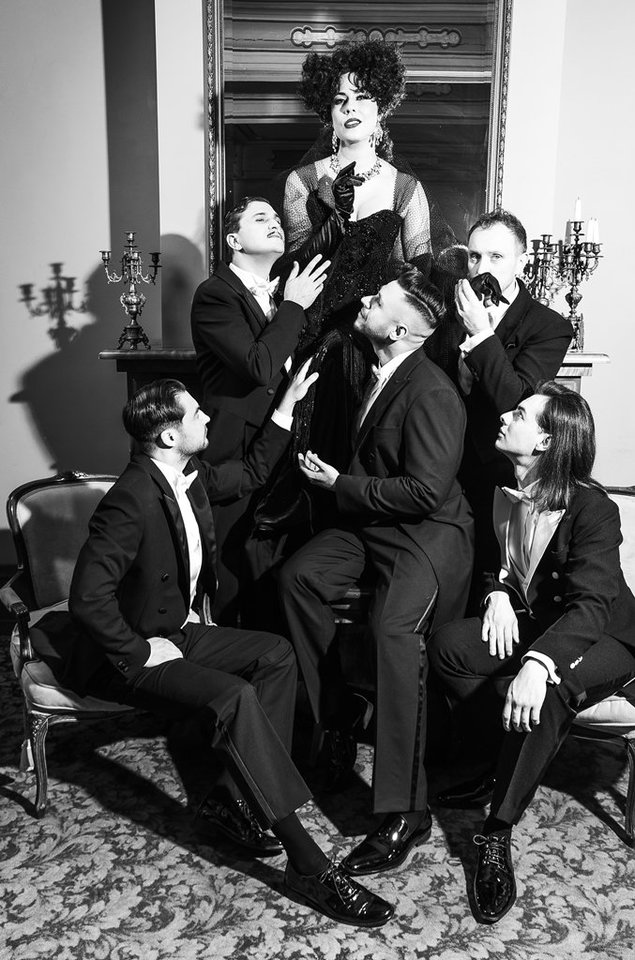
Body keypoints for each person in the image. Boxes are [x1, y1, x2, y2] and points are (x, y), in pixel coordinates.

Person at [30, 370, 393, 928]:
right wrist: (138, 651)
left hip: (176, 629)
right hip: (126, 654)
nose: (206, 418)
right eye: (196, 413)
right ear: (168, 436)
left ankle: (233, 798)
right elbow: (87, 598)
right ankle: (309, 864)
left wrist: (285, 407)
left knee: (275, 655)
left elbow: (250, 472)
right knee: (233, 697)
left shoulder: (188, 476)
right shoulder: (129, 500)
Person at [279, 266, 474, 878]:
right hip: (372, 526)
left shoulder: (433, 391)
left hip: (425, 536)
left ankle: (404, 812)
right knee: (297, 579)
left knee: (394, 631)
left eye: (379, 299)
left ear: (397, 330)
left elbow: (425, 491)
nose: (365, 298)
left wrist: (340, 483)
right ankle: (339, 720)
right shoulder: (377, 368)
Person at [428, 382, 635, 924]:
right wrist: (497, 593)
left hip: (606, 638)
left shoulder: (593, 508)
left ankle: (496, 830)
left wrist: (538, 664)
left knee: (549, 688)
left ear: (545, 442)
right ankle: (493, 761)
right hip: (542, 622)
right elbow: (501, 563)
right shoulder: (504, 487)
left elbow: (592, 606)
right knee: (449, 647)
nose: (504, 415)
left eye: (519, 414)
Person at [190, 196, 329, 626]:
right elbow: (258, 365)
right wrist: (293, 306)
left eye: (277, 218)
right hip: (233, 449)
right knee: (230, 571)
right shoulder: (215, 294)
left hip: (280, 440)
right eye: (260, 218)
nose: (275, 223)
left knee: (267, 569)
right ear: (234, 240)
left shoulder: (284, 289)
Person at [424, 210, 573, 596]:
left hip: (498, 476)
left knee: (486, 588)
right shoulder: (448, 310)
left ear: (521, 261)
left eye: (496, 257)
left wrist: (480, 333)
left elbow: (518, 400)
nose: (482, 268)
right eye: (474, 257)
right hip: (439, 466)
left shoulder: (549, 326)